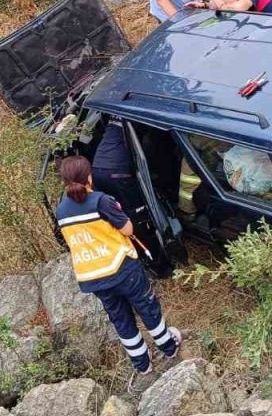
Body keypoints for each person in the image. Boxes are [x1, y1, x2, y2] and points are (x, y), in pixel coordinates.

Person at [55, 155, 182, 392]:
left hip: (94, 277)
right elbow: (128, 228)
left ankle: (142, 364)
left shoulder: (61, 210)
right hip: (122, 267)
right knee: (146, 306)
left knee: (121, 319)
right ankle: (169, 346)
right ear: (89, 177)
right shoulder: (100, 201)